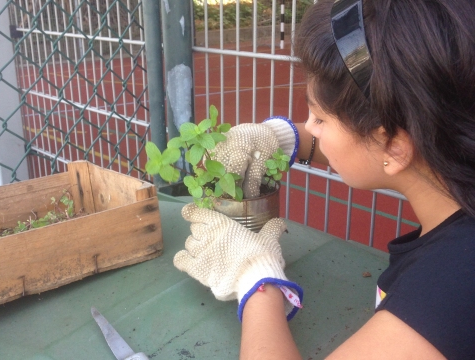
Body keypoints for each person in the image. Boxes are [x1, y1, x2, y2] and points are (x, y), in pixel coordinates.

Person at [173, 0, 475, 358]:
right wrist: (283, 139)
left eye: (319, 117)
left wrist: (254, 279)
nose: (309, 128)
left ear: (393, 147)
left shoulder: (450, 287)